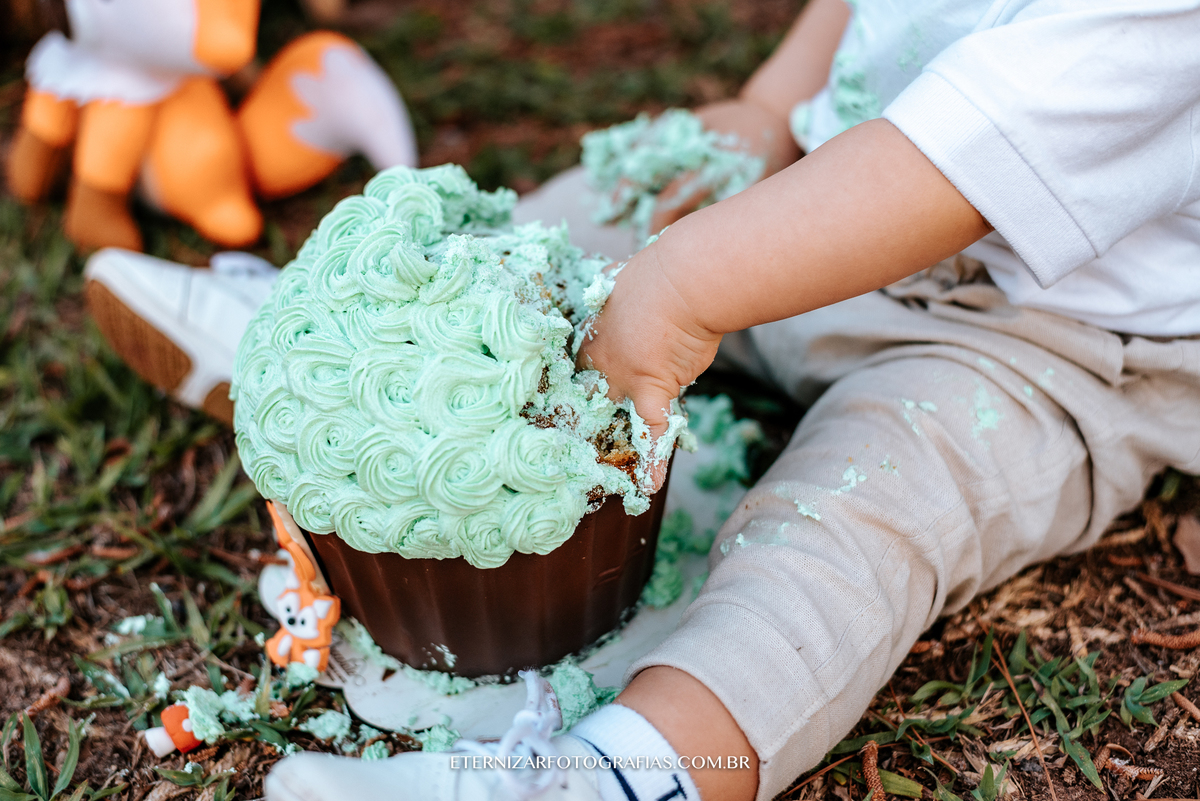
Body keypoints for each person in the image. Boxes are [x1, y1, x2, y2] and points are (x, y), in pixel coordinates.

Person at [100, 0, 1200, 799]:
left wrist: (675, 292)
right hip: (827, 189)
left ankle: (628, 769)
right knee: (560, 241)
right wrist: (773, 106)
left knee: (869, 505)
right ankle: (346, 366)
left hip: (1054, 334)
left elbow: (951, 172)